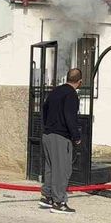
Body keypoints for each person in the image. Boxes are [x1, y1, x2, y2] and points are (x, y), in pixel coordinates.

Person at [39, 68, 82, 214]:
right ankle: (59, 202)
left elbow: (44, 109)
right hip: (61, 136)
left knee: (50, 167)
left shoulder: (55, 91)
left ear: (67, 78)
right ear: (80, 82)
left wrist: (47, 127)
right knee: (62, 169)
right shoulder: (71, 94)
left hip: (47, 134)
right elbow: (70, 116)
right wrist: (76, 136)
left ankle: (47, 197)